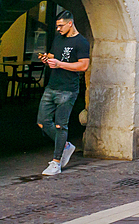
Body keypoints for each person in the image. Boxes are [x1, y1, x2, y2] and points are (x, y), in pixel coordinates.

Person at [37, 11, 90, 176]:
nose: (58, 29)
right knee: (42, 122)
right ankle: (66, 146)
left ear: (70, 23)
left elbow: (83, 66)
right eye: (57, 26)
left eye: (61, 25)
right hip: (52, 86)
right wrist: (48, 59)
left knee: (61, 125)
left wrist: (60, 64)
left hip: (68, 89)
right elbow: (53, 56)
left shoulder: (81, 42)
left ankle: (56, 162)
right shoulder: (58, 38)